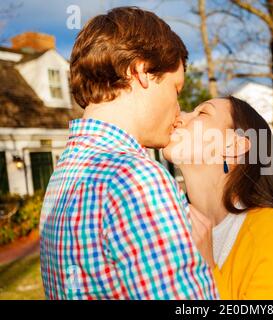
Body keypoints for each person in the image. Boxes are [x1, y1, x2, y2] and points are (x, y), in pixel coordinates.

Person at [39, 7, 218, 300]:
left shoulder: (62, 177)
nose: (178, 109)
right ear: (141, 71)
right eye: (176, 89)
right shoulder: (135, 177)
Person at [163, 96, 273, 299]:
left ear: (234, 147)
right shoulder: (166, 225)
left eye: (202, 113)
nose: (181, 116)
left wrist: (205, 267)